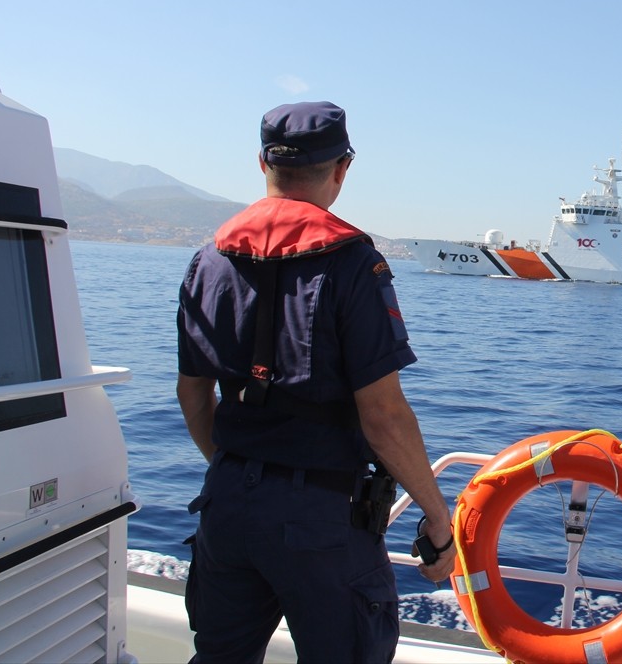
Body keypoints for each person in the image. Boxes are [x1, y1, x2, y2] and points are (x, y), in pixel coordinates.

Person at [176, 101, 455, 663]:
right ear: (342, 169)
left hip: (226, 504)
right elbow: (383, 417)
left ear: (262, 164)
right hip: (322, 518)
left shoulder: (208, 260)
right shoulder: (354, 264)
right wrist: (437, 515)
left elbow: (192, 392)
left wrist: (232, 470)